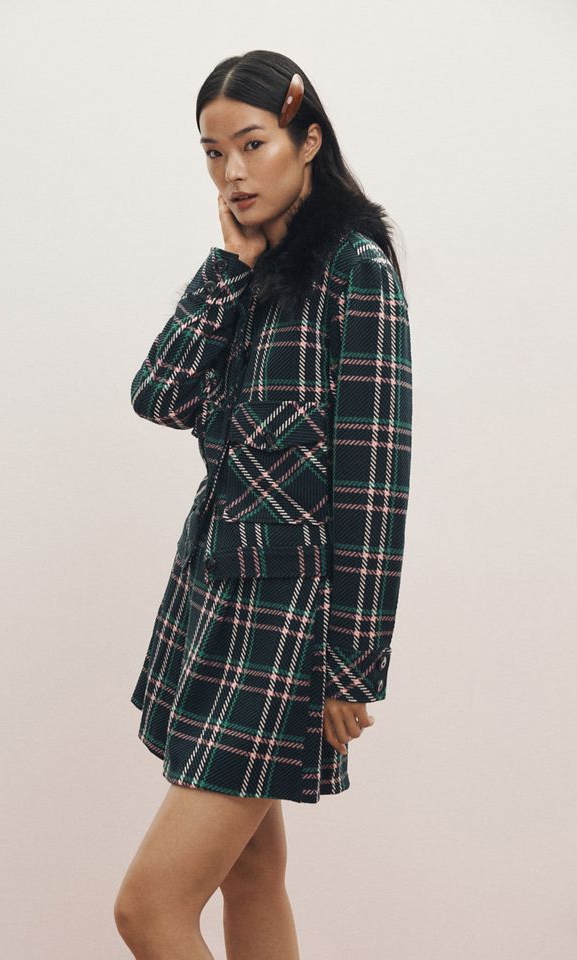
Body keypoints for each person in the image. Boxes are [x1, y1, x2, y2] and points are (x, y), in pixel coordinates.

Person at [114, 50, 413, 960]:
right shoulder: (249, 273)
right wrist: (226, 266)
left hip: (286, 632)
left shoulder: (356, 272)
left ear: (307, 140)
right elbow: (158, 395)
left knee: (148, 910)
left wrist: (352, 666)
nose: (232, 173)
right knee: (250, 874)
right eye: (214, 153)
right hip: (212, 602)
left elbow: (375, 481)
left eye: (253, 144)